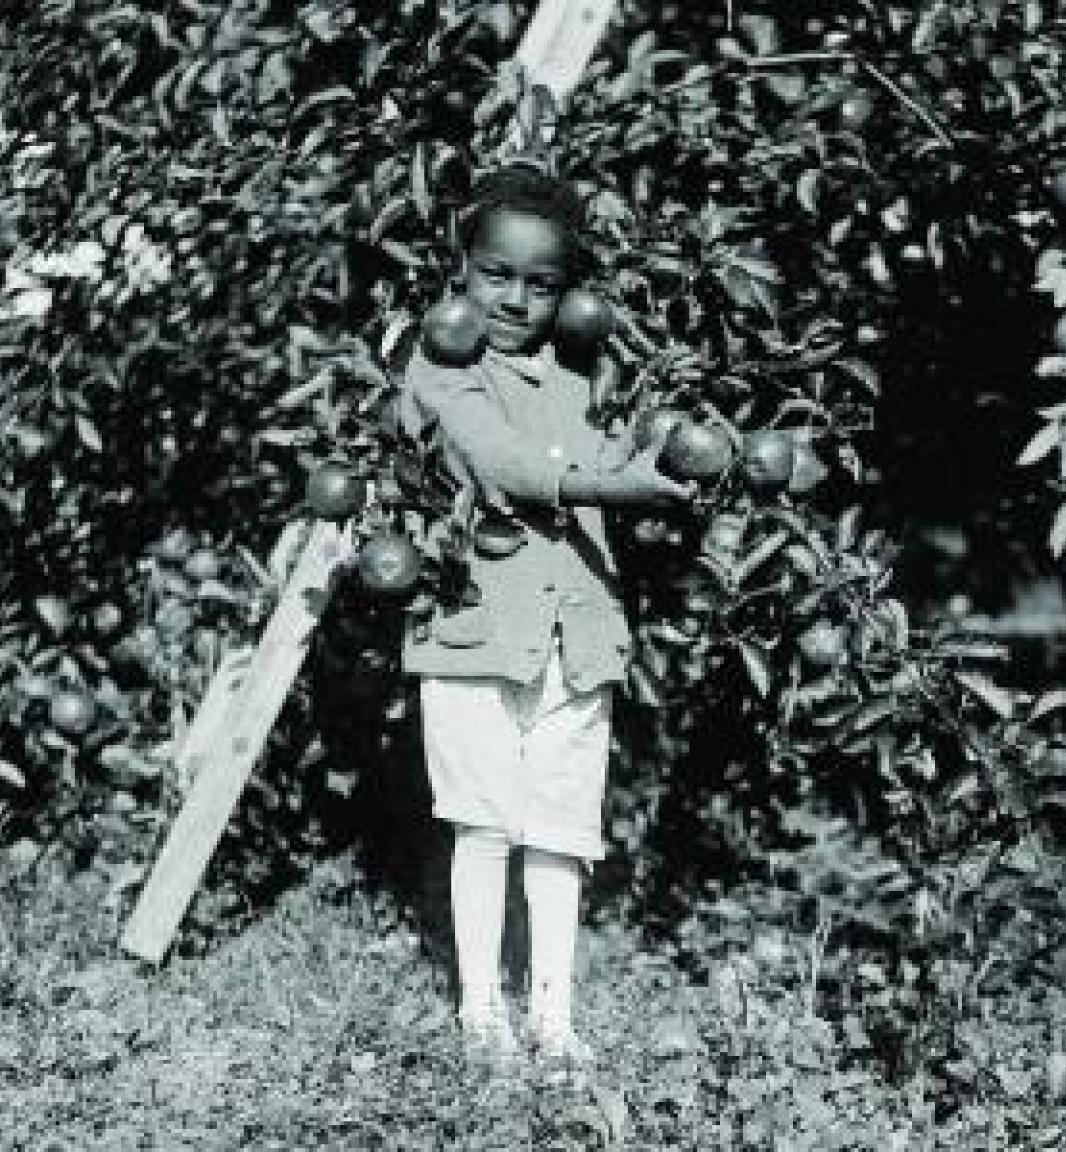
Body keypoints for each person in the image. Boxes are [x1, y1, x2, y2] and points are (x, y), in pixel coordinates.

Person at [399, 160, 693, 1068]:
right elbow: (504, 468)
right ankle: (482, 1014)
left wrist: (675, 451)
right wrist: (618, 483)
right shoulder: (438, 365)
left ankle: (555, 1020)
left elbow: (630, 451)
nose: (515, 299)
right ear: (461, 268)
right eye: (497, 275)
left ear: (567, 294)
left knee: (562, 831)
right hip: (474, 630)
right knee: (484, 822)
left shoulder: (581, 374)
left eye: (541, 284)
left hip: (582, 633)